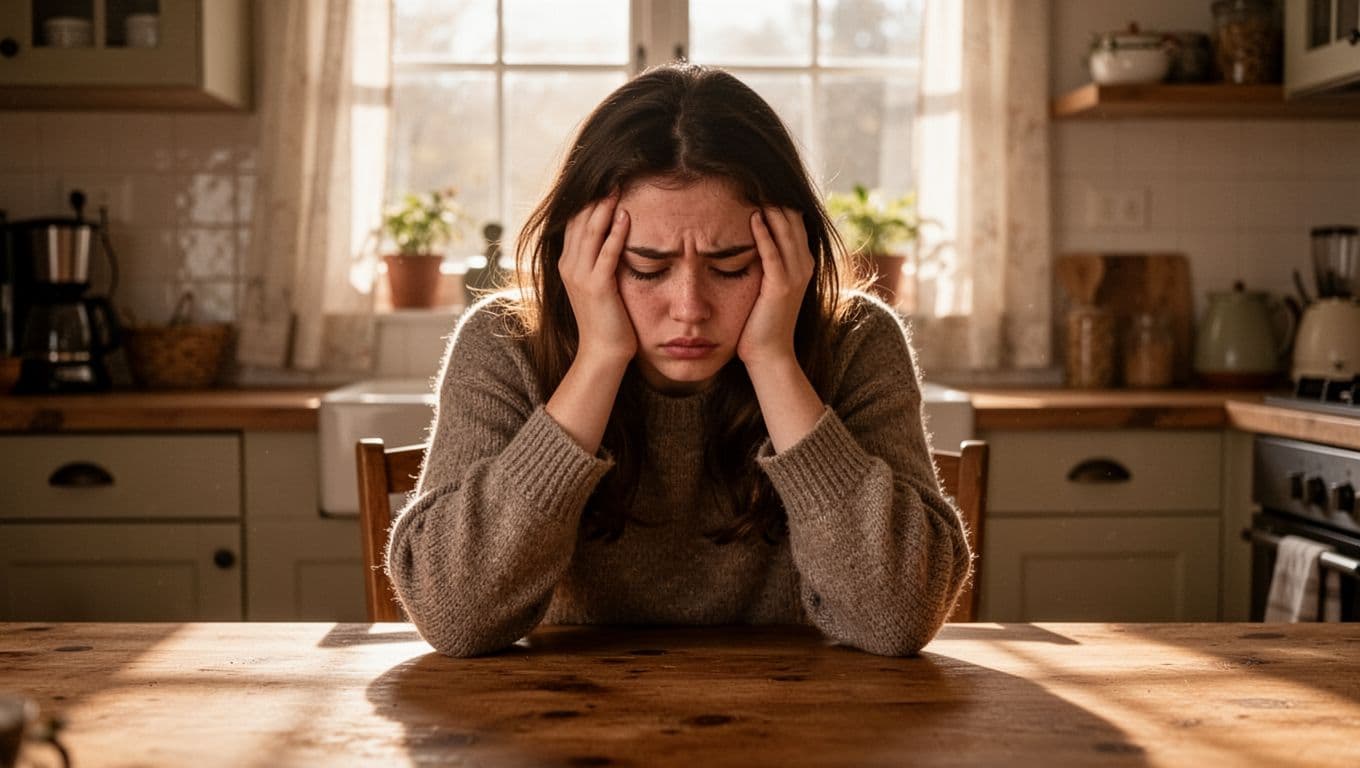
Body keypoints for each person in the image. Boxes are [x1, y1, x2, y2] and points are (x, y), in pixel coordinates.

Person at [385, 62, 971, 658]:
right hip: (565, 724)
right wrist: (598, 359)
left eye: (732, 267)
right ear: (580, 257)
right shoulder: (504, 344)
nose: (690, 308)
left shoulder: (858, 342)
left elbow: (898, 617)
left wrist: (773, 359)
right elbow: (453, 616)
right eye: (647, 267)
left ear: (792, 254)